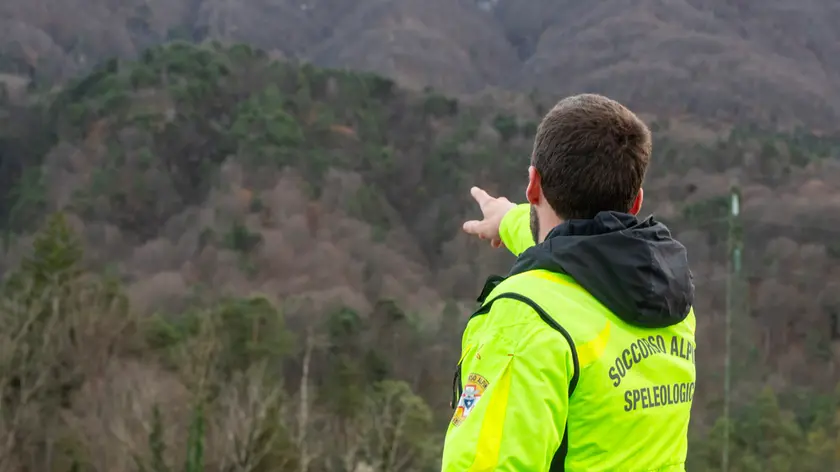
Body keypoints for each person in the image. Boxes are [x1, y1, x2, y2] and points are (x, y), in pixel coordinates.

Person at [440, 94, 696, 471]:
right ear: (636, 201)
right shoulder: (666, 294)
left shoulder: (527, 320)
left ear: (533, 185)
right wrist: (509, 218)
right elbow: (578, 250)